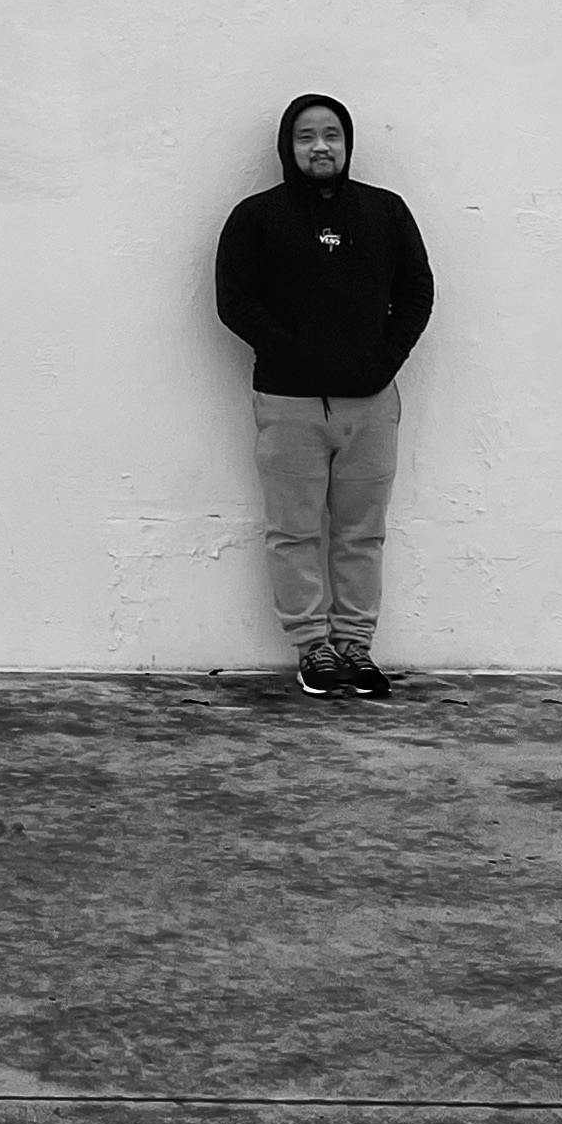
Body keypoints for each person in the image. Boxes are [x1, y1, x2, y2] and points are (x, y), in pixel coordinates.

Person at [214, 93, 434, 699]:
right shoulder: (255, 218)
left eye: (331, 135)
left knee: (362, 532)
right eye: (306, 136)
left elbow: (417, 291)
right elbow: (235, 303)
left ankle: (355, 647)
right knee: (294, 530)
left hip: (370, 405)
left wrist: (383, 361)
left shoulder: (386, 213)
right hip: (288, 404)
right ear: (288, 146)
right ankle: (314, 649)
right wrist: (294, 355)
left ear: (347, 143)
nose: (320, 147)